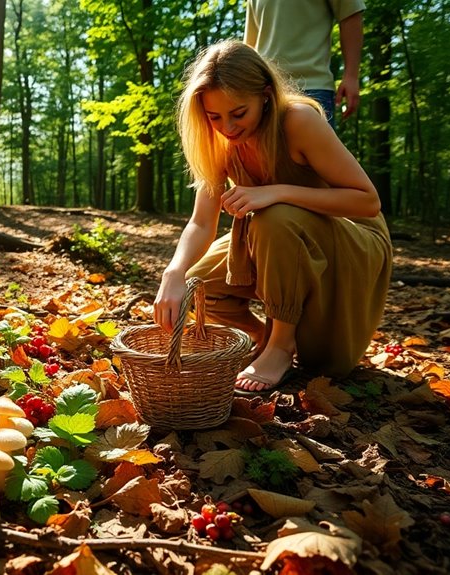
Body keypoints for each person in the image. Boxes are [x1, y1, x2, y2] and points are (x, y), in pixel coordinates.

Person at [153, 40, 391, 393]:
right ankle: (265, 337)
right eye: (214, 117)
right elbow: (202, 222)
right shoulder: (218, 141)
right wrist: (173, 272)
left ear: (265, 95)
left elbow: (367, 202)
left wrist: (275, 191)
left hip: (351, 238)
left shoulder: (298, 121)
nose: (228, 128)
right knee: (199, 282)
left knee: (272, 216)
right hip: (277, 237)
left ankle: (281, 346)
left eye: (238, 113)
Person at [244, 0, 364, 125]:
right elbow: (250, 48)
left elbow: (350, 14)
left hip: (312, 89)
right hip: (265, 94)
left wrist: (351, 76)